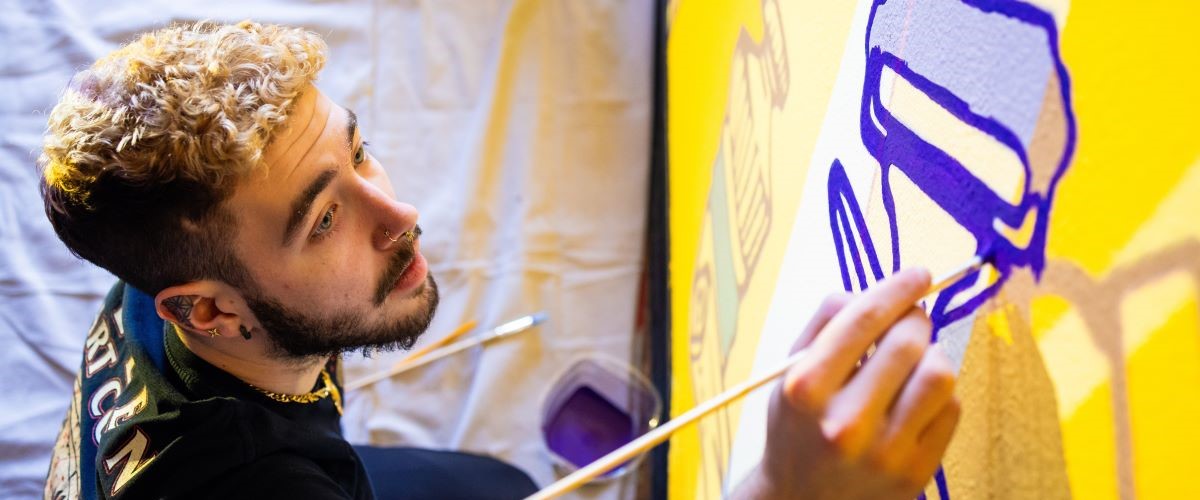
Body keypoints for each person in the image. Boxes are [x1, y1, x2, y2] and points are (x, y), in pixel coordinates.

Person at [39, 21, 959, 499]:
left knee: (508, 486)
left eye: (355, 152)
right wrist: (790, 491)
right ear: (208, 314)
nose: (399, 215)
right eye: (323, 221)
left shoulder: (156, 270)